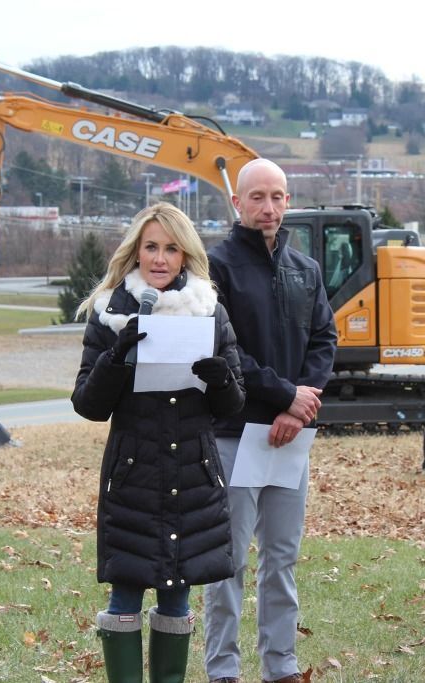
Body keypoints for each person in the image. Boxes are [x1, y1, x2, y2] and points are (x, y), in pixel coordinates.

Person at [71, 202, 246, 683]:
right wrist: (117, 357)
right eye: (151, 247)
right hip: (134, 475)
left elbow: (232, 405)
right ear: (136, 252)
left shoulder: (209, 311)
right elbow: (87, 404)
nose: (160, 258)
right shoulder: (110, 311)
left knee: (177, 593)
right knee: (126, 592)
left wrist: (220, 380)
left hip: (193, 474)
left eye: (171, 248)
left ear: (186, 255)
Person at [202, 159, 338, 683]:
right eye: (258, 196)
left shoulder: (306, 269)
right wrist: (286, 397)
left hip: (291, 438)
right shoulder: (216, 268)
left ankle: (280, 665)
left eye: (278, 196)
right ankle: (224, 669)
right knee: (229, 560)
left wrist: (300, 406)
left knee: (281, 558)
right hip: (235, 434)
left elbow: (325, 340)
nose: (269, 207)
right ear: (237, 203)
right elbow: (223, 350)